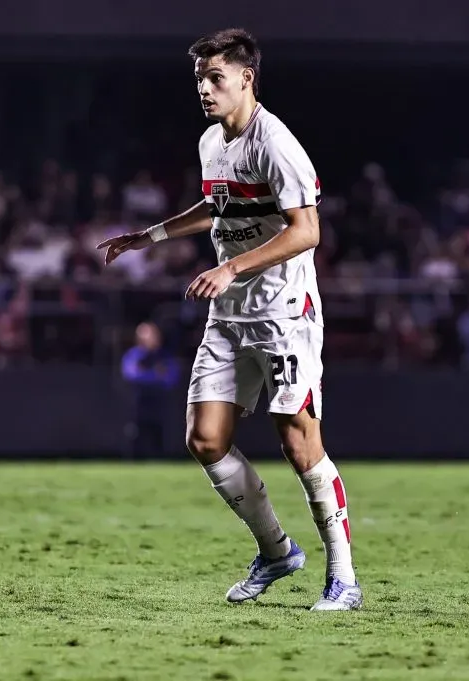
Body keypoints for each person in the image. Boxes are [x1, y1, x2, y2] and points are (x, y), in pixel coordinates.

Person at [98, 27, 361, 611]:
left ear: (247, 78)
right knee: (205, 438)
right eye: (199, 79)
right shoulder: (210, 141)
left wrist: (232, 266)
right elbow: (220, 204)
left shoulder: (278, 144)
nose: (204, 89)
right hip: (231, 313)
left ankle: (343, 578)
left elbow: (307, 231)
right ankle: (277, 552)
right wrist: (150, 236)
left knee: (299, 444)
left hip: (284, 313)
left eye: (215, 78)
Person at [121, 321, 180, 458]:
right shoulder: (133, 355)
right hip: (137, 406)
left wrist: (148, 375)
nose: (151, 339)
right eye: (146, 336)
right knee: (136, 439)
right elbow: (131, 375)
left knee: (159, 441)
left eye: (153, 335)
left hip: (160, 407)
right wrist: (155, 375)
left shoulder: (165, 357)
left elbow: (170, 379)